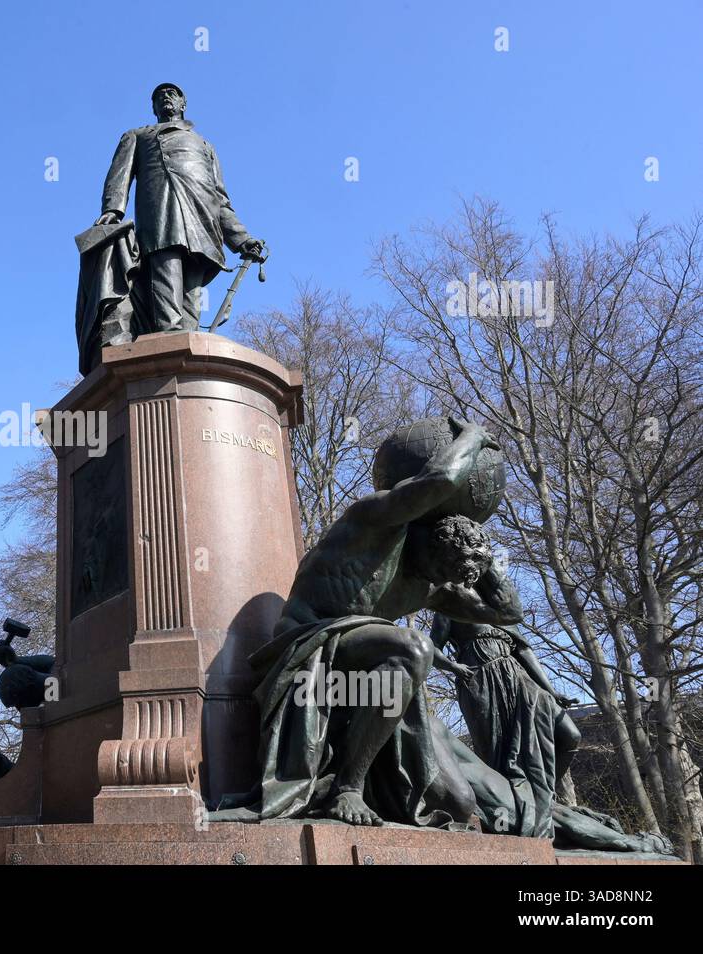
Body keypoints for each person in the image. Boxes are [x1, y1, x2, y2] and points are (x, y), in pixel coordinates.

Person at [221, 417, 517, 827]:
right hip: (305, 646)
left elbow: (507, 613)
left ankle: (370, 774)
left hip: (363, 672)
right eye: (438, 566)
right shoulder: (374, 520)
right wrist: (473, 436)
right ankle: (347, 788)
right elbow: (441, 480)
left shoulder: (425, 585)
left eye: (446, 577)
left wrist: (478, 549)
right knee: (413, 646)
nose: (437, 580)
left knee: (459, 803)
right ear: (426, 531)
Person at [94, 83, 265, 333]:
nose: (165, 97)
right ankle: (169, 351)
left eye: (171, 94)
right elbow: (119, 176)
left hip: (201, 224)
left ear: (183, 104)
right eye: (159, 96)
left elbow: (219, 199)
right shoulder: (138, 136)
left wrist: (241, 240)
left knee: (191, 303)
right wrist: (113, 210)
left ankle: (189, 354)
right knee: (167, 284)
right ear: (153, 108)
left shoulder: (205, 146)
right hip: (161, 217)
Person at [430, 614, 581, 837]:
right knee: (497, 758)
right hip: (482, 684)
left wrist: (550, 690)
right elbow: (431, 648)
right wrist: (453, 667)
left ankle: (541, 799)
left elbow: (524, 651)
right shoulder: (450, 605)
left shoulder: (497, 606)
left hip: (521, 681)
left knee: (570, 735)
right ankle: (513, 813)